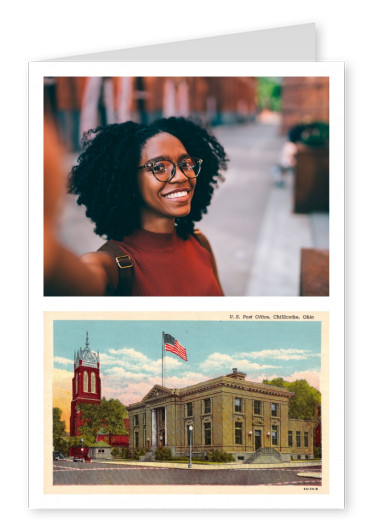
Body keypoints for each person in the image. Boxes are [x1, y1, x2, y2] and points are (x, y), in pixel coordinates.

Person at [45, 116, 228, 296]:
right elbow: (70, 279)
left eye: (186, 163)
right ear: (129, 181)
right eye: (159, 167)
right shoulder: (111, 266)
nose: (181, 176)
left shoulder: (200, 243)